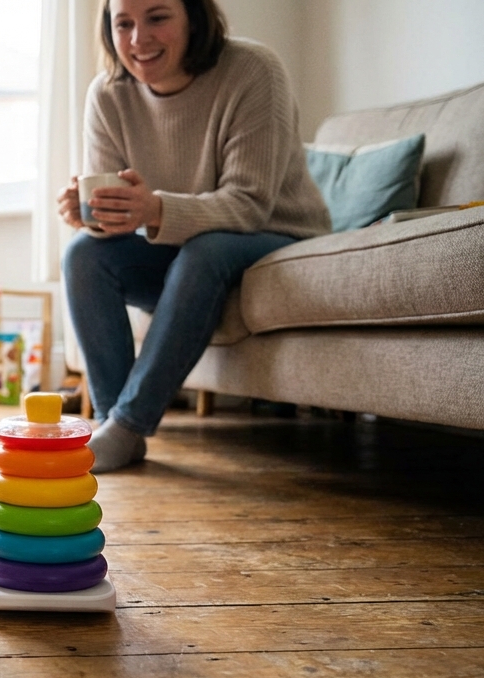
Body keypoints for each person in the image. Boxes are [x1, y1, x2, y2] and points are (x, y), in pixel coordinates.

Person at [57, 0, 330, 472]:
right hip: (182, 247)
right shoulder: (107, 94)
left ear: (194, 19)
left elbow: (249, 203)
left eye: (157, 17)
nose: (138, 39)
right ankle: (110, 422)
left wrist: (156, 208)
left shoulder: (253, 70)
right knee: (83, 254)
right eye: (123, 23)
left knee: (206, 250)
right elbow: (116, 214)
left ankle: (129, 423)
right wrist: (92, 216)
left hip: (275, 234)